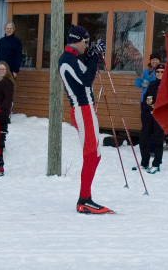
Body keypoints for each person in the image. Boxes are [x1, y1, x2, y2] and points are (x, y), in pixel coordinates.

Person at [59, 25, 112, 214]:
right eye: (86, 42)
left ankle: (85, 196)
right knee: (91, 154)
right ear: (79, 40)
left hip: (87, 109)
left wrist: (92, 55)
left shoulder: (74, 58)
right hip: (81, 110)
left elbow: (86, 73)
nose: (86, 46)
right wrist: (93, 59)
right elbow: (85, 80)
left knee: (96, 155)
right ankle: (84, 199)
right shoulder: (67, 59)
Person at [138, 64, 166, 174]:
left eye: (162, 72)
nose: (159, 73)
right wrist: (149, 105)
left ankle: (156, 164)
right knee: (143, 138)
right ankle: (145, 162)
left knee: (158, 141)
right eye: (158, 71)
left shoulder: (167, 86)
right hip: (150, 115)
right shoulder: (152, 84)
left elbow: (167, 101)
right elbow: (146, 98)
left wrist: (158, 108)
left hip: (160, 116)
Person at [135, 53, 161, 123]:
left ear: (159, 61)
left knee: (156, 122)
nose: (154, 61)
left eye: (156, 59)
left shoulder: (162, 72)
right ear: (150, 61)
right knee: (146, 121)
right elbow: (137, 84)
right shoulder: (146, 72)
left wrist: (149, 83)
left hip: (157, 100)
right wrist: (140, 78)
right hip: (145, 100)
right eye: (153, 59)